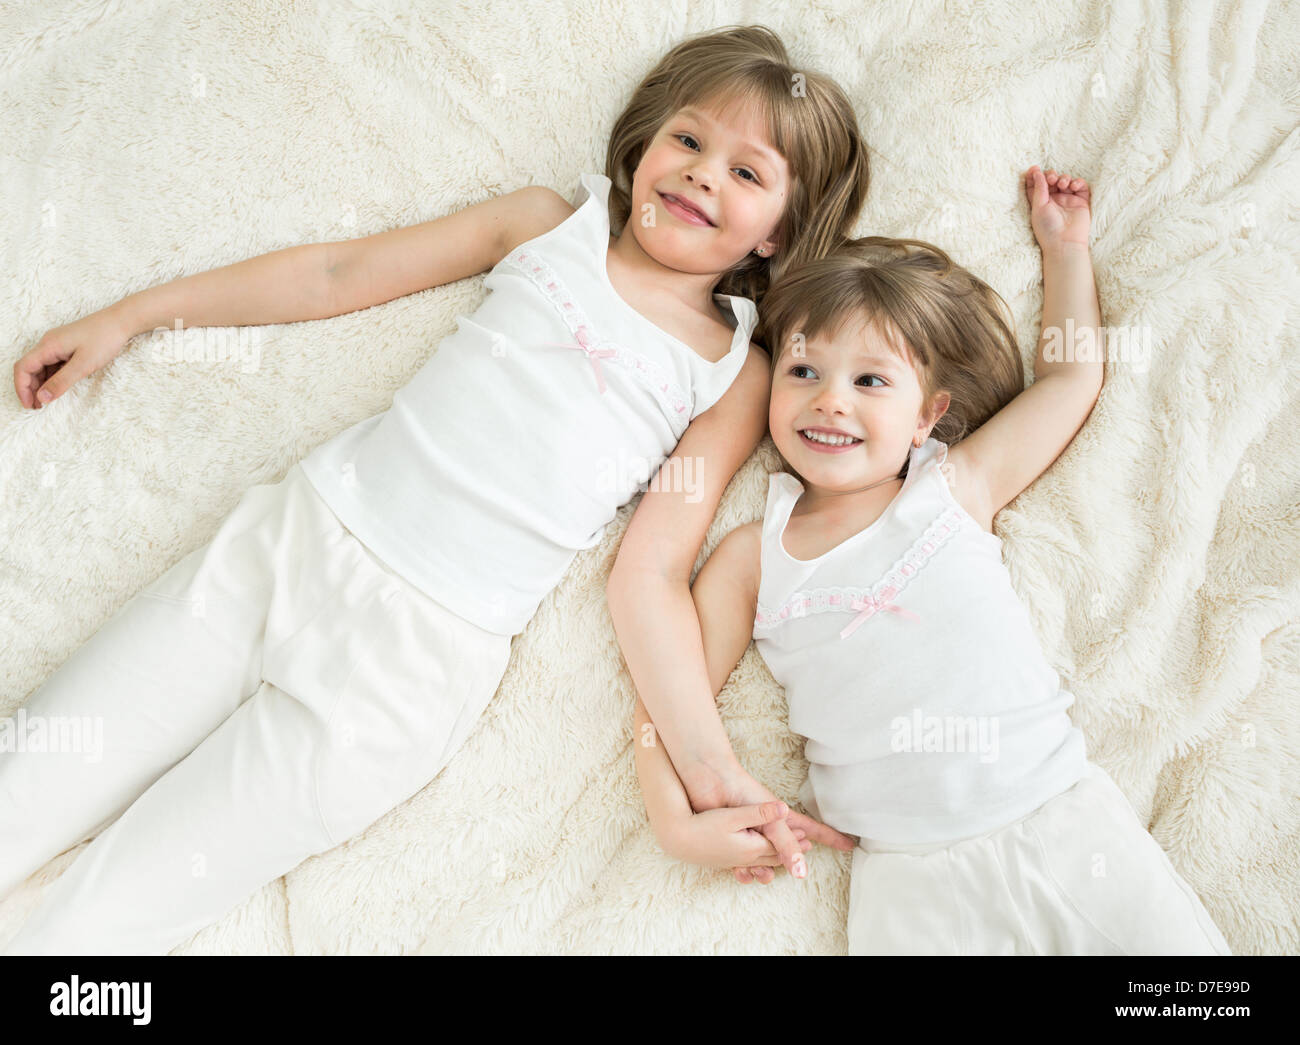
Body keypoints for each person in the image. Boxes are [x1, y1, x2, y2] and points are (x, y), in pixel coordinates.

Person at [1, 25, 868, 954]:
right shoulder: (547, 225)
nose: (702, 174)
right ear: (645, 144)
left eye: (747, 173)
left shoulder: (732, 372)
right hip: (298, 542)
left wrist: (711, 765)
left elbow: (649, 569)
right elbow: (338, 272)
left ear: (778, 230)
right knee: (36, 769)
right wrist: (132, 317)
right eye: (689, 141)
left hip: (411, 670)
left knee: (118, 911)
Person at [632, 165, 1234, 954]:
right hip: (909, 883)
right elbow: (670, 701)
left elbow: (1073, 374)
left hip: (1058, 821)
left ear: (927, 417)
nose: (830, 400)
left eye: (870, 380)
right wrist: (676, 819)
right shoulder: (755, 557)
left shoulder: (951, 492)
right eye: (803, 371)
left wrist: (1066, 250)